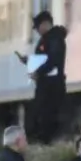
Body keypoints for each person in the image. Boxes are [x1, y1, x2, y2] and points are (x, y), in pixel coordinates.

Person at [16, 11, 68, 144]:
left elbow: (52, 61)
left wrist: (39, 71)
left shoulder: (55, 39)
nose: (37, 31)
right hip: (45, 85)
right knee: (37, 117)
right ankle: (41, 143)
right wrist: (29, 61)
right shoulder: (47, 39)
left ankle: (46, 144)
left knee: (46, 117)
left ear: (45, 24)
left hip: (52, 86)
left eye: (38, 27)